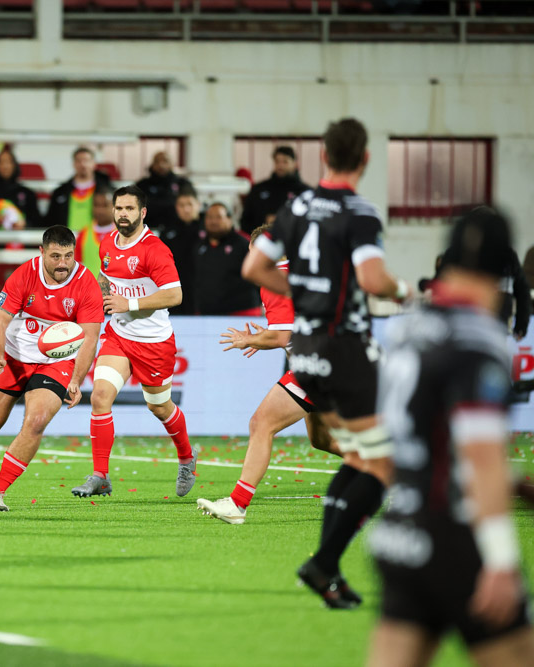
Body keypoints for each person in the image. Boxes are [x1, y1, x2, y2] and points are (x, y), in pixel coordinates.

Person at [242, 117, 411, 609]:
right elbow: (374, 280)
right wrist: (407, 293)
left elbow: (254, 268)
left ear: (323, 156)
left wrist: (307, 293)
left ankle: (326, 565)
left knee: (350, 450)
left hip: (308, 347)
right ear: (365, 159)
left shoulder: (294, 207)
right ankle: (329, 563)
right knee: (376, 459)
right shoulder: (359, 212)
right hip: (346, 346)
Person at [367, 208, 534, 666]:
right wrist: (500, 560)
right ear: (503, 271)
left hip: (399, 533)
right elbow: (480, 455)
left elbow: (424, 436)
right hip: (455, 539)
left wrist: (514, 484)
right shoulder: (480, 338)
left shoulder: (407, 329)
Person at [0, 226, 103, 512]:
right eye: (55, 256)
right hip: (15, 356)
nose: (63, 264)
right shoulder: (23, 274)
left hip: (56, 363)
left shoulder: (85, 282)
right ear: (41, 252)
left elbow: (90, 336)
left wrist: (77, 379)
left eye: (68, 256)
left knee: (37, 420)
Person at [197, 222, 340, 524]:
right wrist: (265, 337)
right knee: (322, 441)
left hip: (316, 365)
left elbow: (280, 337)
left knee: (260, 424)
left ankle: (237, 504)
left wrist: (250, 339)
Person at [70, 185, 197, 499]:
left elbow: (175, 294)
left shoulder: (154, 249)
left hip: (153, 342)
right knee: (100, 396)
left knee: (160, 406)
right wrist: (98, 296)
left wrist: (131, 304)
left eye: (129, 209)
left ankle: (186, 458)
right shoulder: (106, 243)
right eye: (118, 208)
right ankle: (100, 475)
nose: (122, 214)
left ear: (142, 213)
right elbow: (106, 279)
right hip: (119, 335)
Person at [192, 202, 261, 316]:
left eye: (218, 217)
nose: (213, 221)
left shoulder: (245, 244)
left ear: (229, 219)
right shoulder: (199, 246)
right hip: (207, 314)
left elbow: (259, 275)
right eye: (209, 217)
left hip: (241, 312)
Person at [239, 146, 312, 236]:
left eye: (285, 161)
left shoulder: (306, 192)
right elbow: (245, 221)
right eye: (277, 161)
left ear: (295, 164)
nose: (280, 165)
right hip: (262, 244)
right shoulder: (259, 189)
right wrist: (264, 223)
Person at [46, 147, 113, 232]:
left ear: (94, 163)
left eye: (86, 160)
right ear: (73, 164)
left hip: (97, 239)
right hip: (67, 241)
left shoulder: (107, 191)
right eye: (78, 161)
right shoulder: (60, 192)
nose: (82, 164)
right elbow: (50, 220)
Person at [154, 189, 201, 315]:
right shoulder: (168, 231)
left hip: (200, 288)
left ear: (198, 205)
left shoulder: (208, 229)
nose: (186, 209)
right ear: (176, 207)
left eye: (189, 204)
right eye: (181, 205)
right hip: (174, 287)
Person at [134, 151, 194, 230]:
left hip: (178, 230)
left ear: (172, 164)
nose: (161, 164)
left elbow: (189, 207)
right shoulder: (142, 185)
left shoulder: (183, 184)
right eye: (157, 161)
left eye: (165, 161)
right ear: (152, 164)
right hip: (147, 230)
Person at [73, 186, 115, 277]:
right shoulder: (83, 234)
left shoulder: (123, 234)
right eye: (96, 205)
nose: (100, 210)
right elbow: (76, 266)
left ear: (114, 207)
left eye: (105, 205)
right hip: (88, 290)